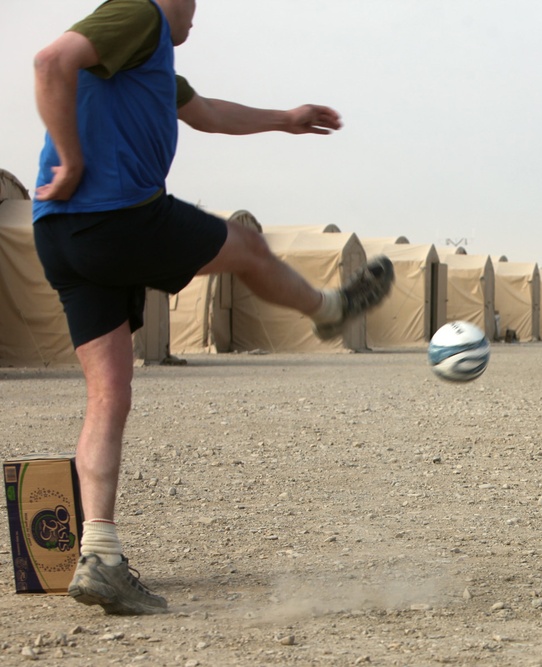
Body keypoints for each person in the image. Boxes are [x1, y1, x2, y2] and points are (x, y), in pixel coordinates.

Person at [32, 0, 394, 615]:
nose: (197, 17)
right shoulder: (139, 15)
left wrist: (287, 118)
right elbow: (50, 61)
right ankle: (328, 309)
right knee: (247, 245)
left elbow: (208, 114)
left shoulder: (145, 59)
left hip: (62, 237)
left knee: (108, 396)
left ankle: (100, 556)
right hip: (116, 215)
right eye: (195, 4)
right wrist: (71, 160)